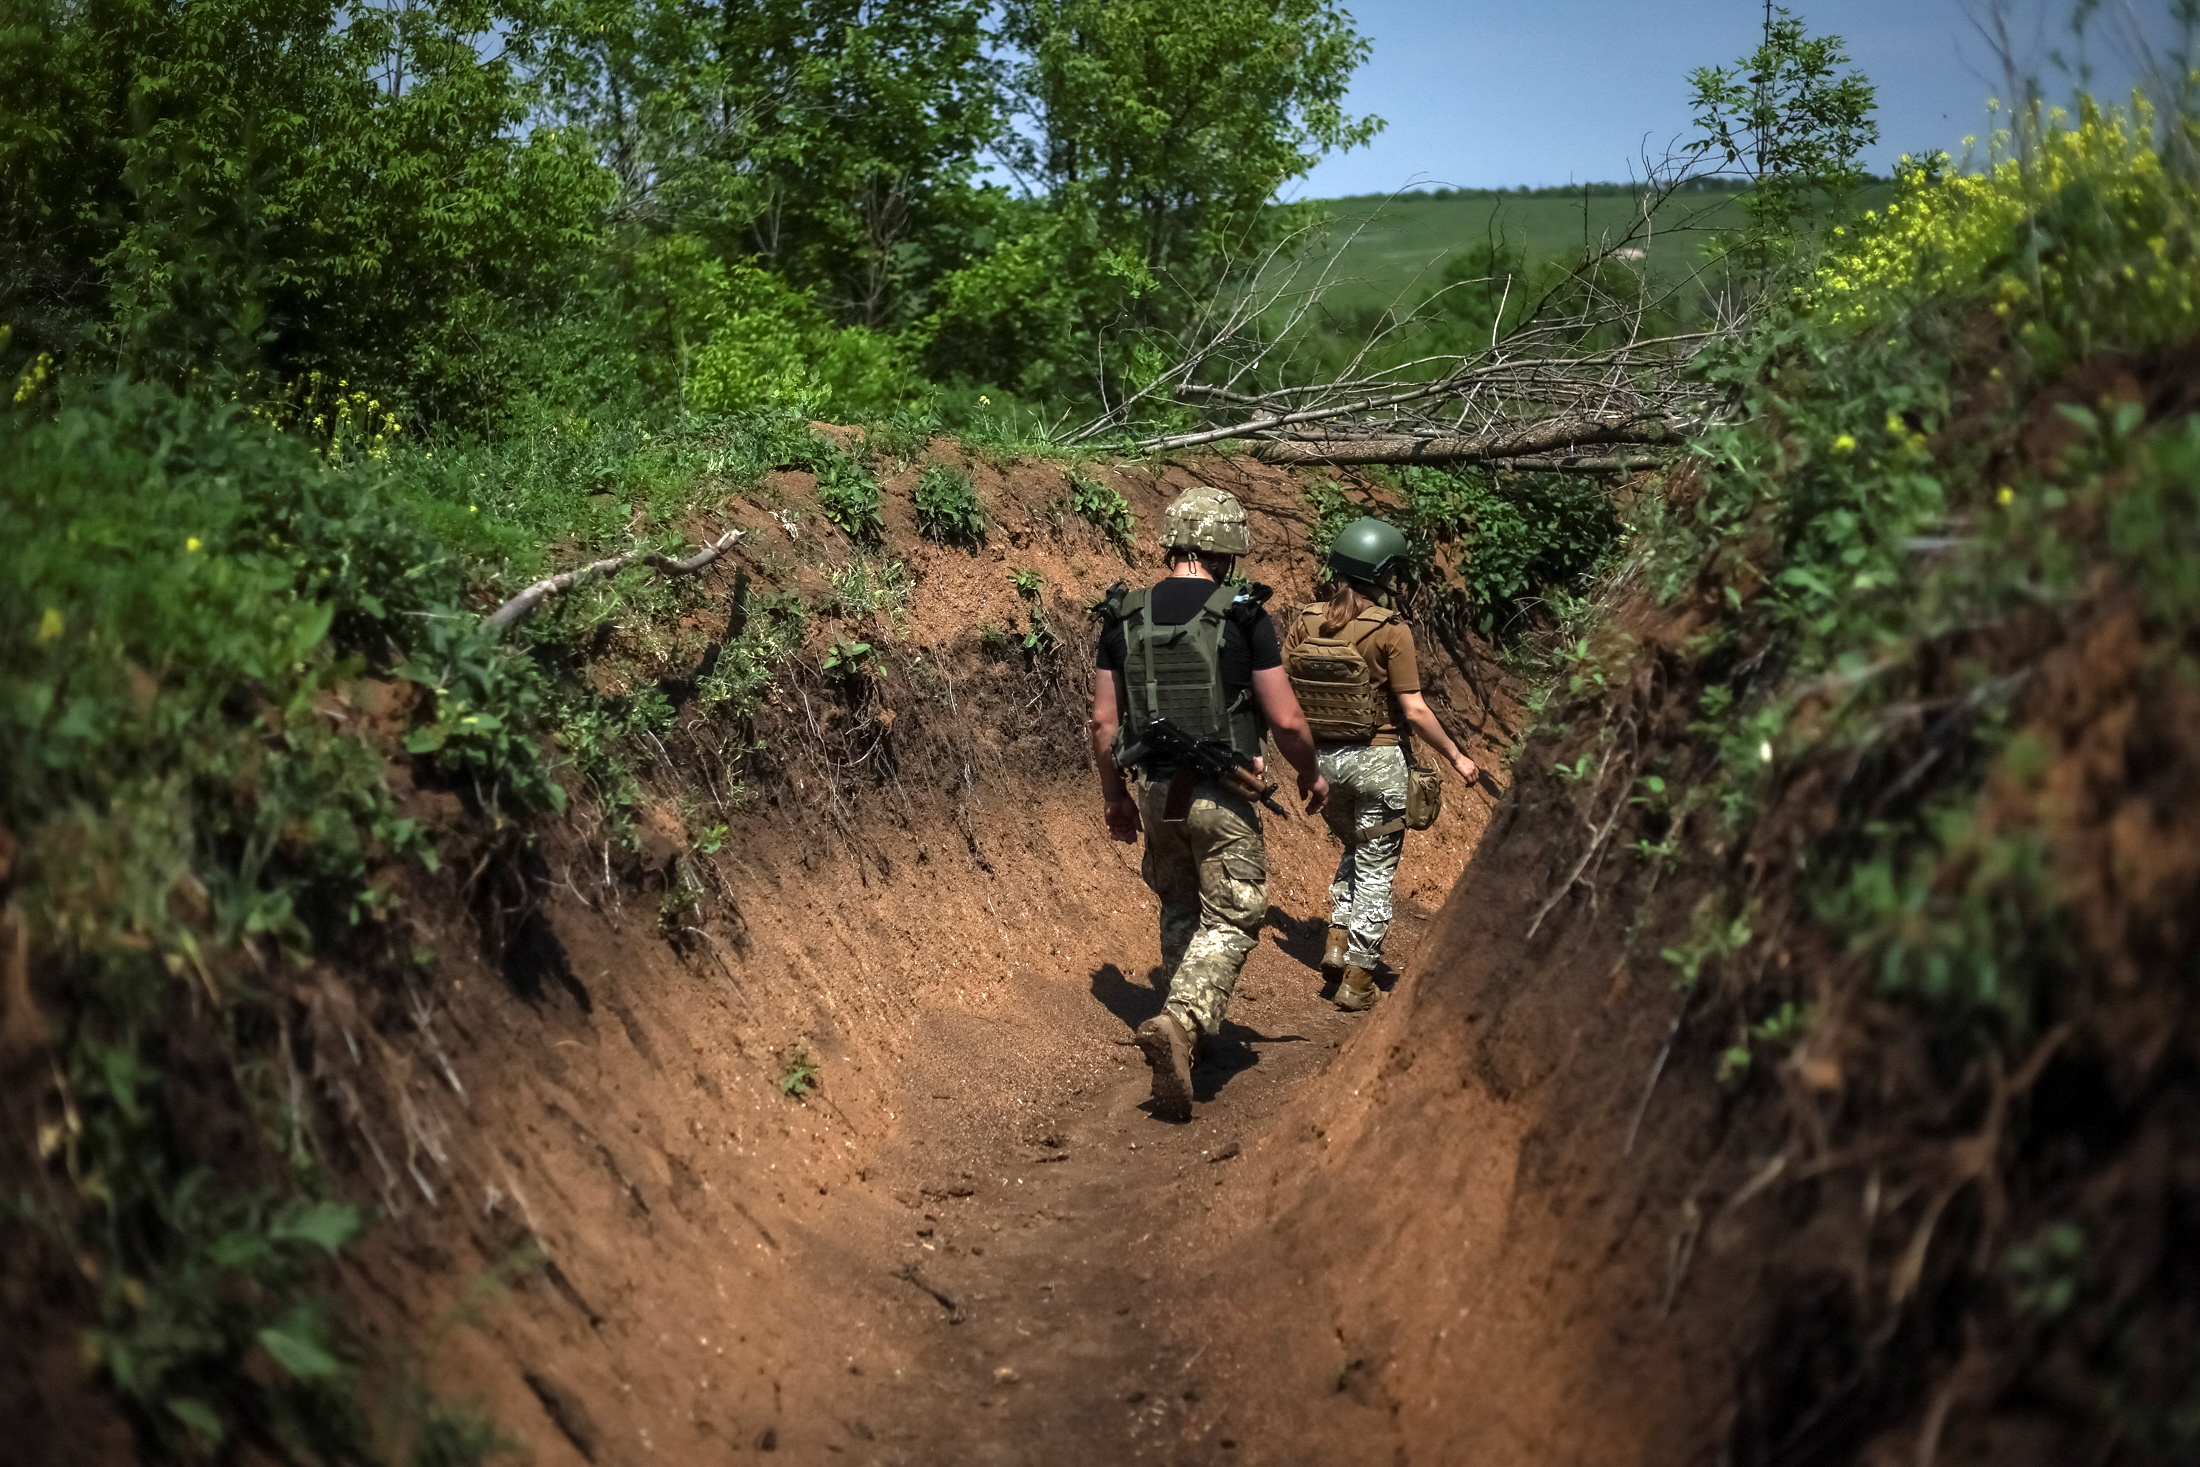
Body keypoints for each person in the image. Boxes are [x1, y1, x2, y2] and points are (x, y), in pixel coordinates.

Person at [1089, 486, 1329, 1122]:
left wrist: (1114, 796)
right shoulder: (1243, 615)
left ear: (1173, 539)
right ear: (1226, 548)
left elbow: (1104, 725)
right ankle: (1184, 1020)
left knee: (1179, 903)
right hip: (1222, 794)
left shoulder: (1123, 617)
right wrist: (1311, 773)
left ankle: (1189, 1039)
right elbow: (1287, 718)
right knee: (1234, 913)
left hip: (1154, 790)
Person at [1282, 516, 1479, 1012]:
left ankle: (1337, 939)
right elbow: (1412, 708)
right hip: (1379, 762)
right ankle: (1360, 975)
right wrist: (1456, 756)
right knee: (1375, 868)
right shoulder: (1391, 630)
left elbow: (1281, 695)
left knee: (1356, 846)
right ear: (1385, 572)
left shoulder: (1304, 621)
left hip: (1323, 765)